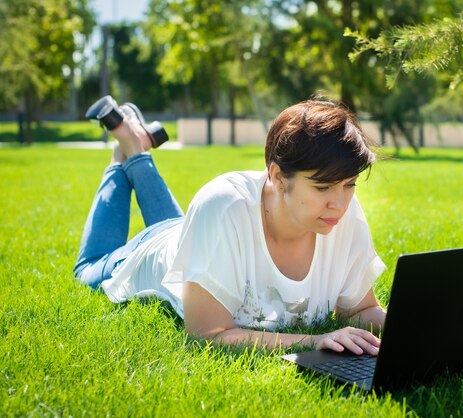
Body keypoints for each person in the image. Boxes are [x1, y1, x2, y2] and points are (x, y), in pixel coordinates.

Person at [74, 97, 387, 356]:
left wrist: (420, 328)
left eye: (350, 184)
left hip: (197, 238)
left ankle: (135, 146)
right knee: (87, 268)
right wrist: (315, 341)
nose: (340, 203)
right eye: (323, 188)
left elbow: (358, 310)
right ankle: (125, 151)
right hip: (149, 252)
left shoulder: (339, 213)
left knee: (174, 224)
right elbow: (208, 334)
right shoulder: (222, 206)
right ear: (278, 177)